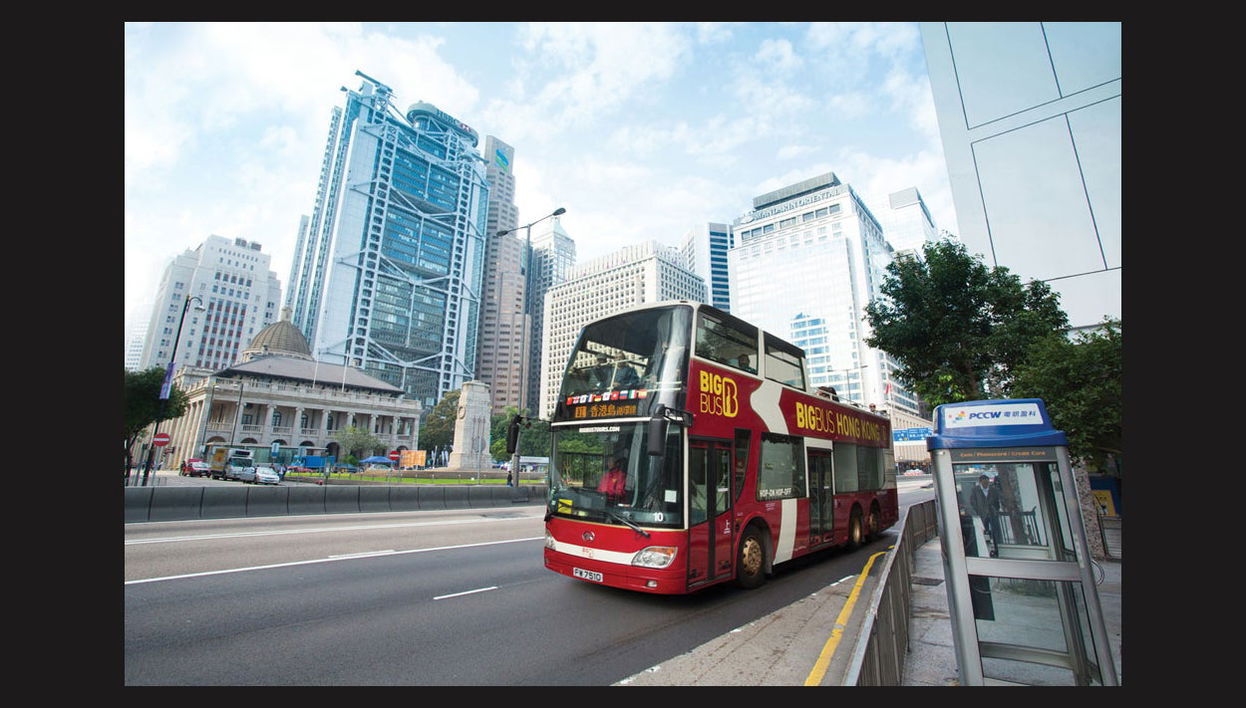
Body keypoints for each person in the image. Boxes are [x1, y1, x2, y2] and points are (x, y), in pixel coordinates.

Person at [969, 474, 1002, 556]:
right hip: (982, 514)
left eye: (987, 483)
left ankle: (997, 547)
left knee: (995, 531)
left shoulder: (993, 490)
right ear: (980, 483)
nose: (985, 485)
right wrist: (977, 511)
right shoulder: (975, 490)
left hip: (992, 514)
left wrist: (996, 509)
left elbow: (997, 500)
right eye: (984, 483)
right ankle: (987, 549)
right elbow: (972, 501)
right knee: (984, 531)